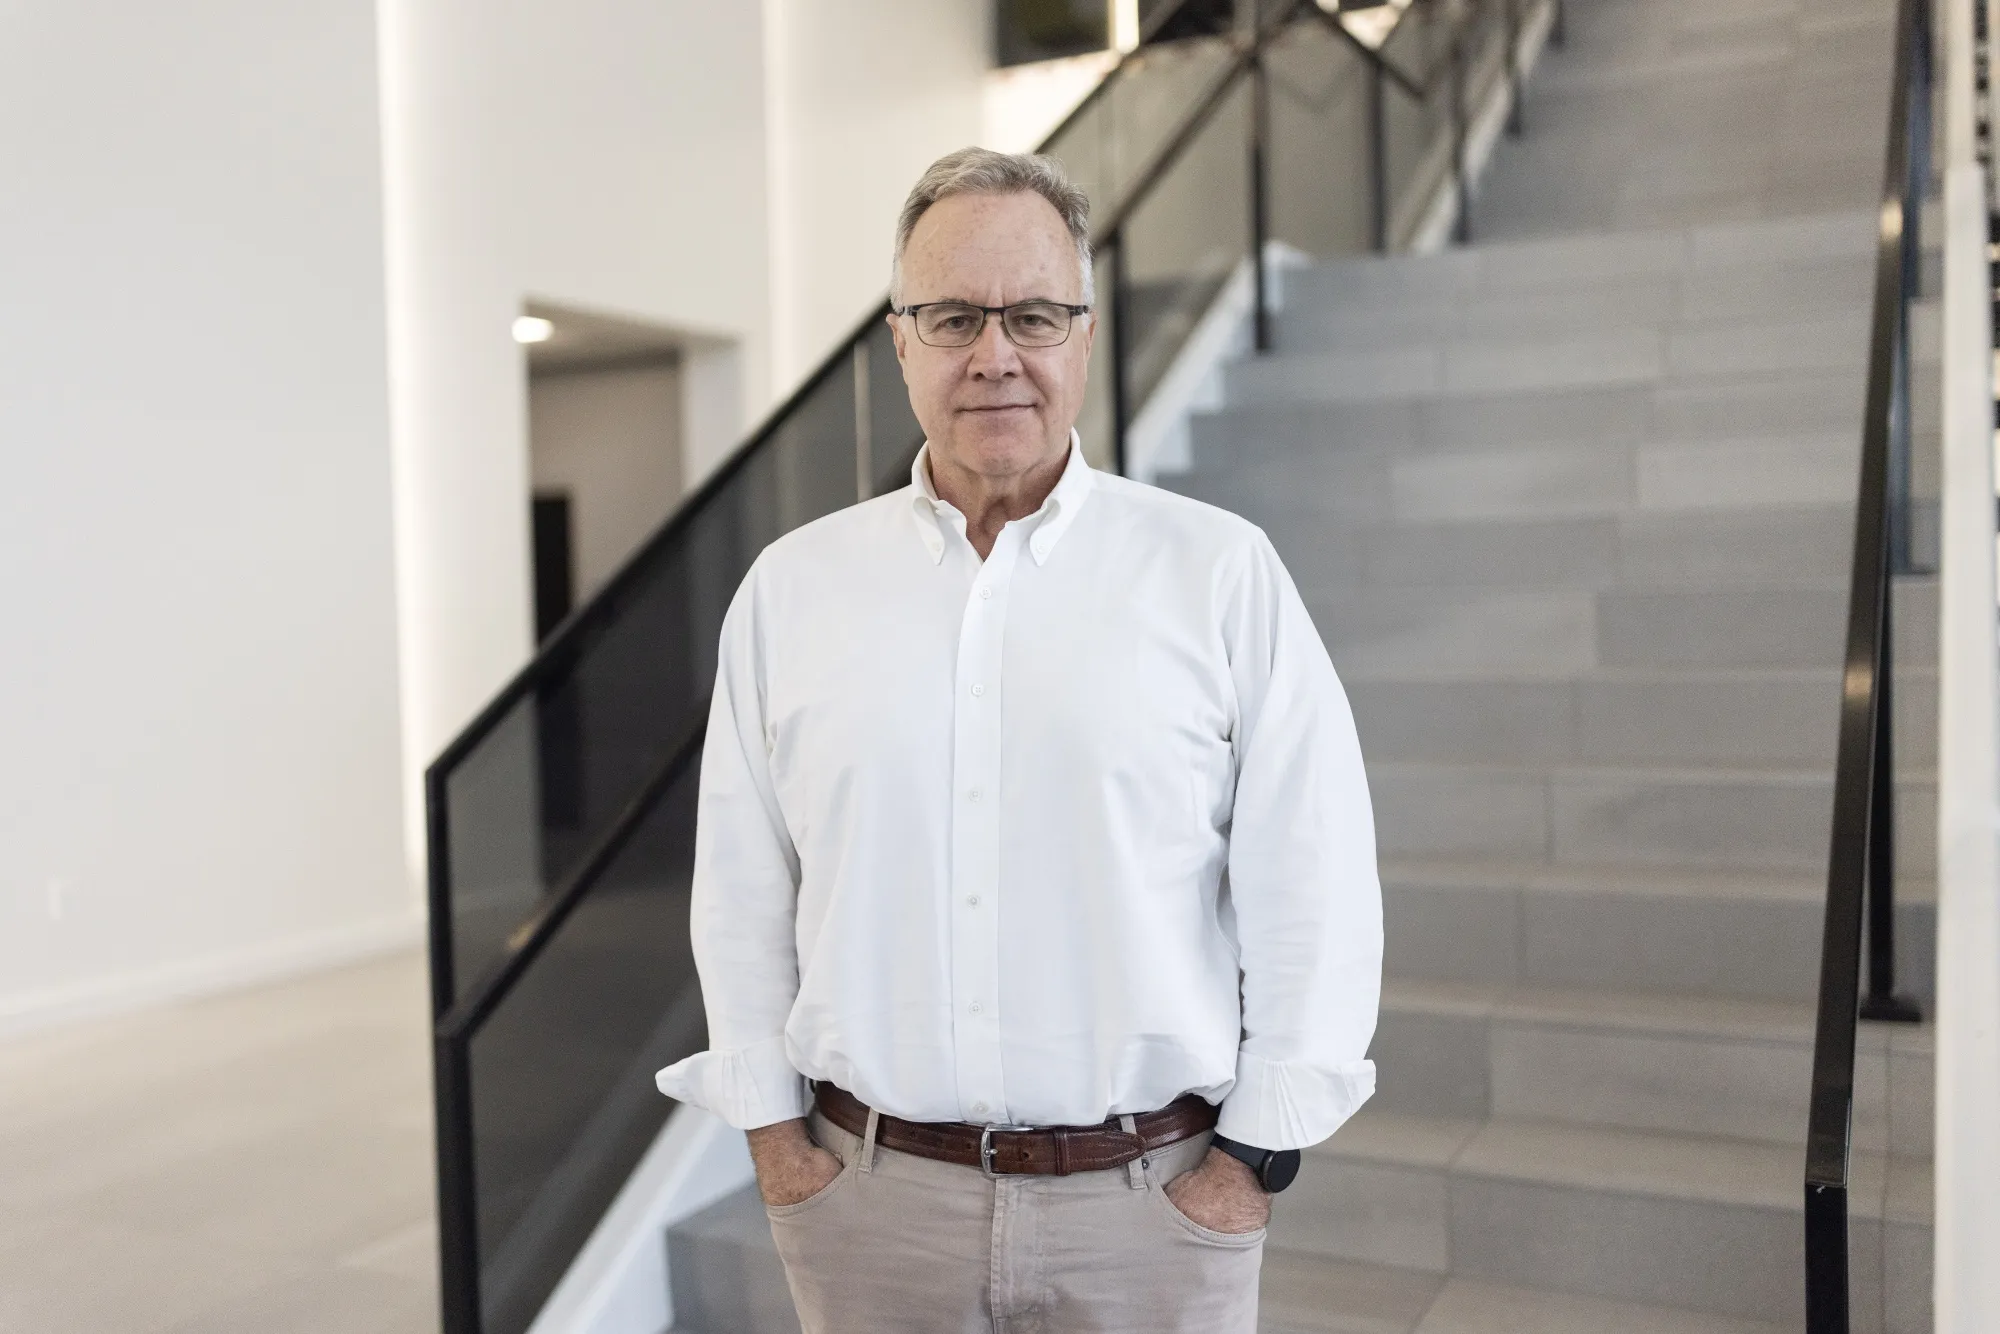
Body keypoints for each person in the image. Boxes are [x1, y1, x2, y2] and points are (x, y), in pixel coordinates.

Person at [656, 146, 1381, 1333]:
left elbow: (1314, 882)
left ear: (1083, 335)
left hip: (1149, 1213)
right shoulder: (791, 591)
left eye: (1033, 315)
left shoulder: (1217, 573)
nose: (994, 353)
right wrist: (778, 1147)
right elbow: (741, 890)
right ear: (899, 343)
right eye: (952, 317)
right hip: (869, 1211)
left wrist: (1248, 1161)